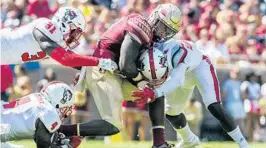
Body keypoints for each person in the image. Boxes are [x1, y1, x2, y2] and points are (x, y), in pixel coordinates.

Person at [75, 3, 182, 148]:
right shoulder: (141, 25)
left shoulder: (149, 36)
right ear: (154, 19)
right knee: (113, 126)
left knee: (156, 91)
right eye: (162, 28)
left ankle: (159, 143)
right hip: (103, 72)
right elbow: (125, 65)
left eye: (167, 31)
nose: (162, 34)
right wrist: (140, 81)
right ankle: (61, 131)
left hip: (115, 73)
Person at [132, 39, 249, 148]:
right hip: (182, 71)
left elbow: (177, 80)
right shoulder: (156, 55)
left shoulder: (177, 57)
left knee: (214, 106)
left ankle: (243, 144)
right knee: (172, 112)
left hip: (200, 67)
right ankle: (189, 139)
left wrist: (155, 93)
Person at [0, 7, 117, 73]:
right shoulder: (46, 26)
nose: (75, 36)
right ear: (66, 24)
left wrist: (98, 67)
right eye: (75, 31)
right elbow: (66, 59)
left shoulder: (56, 38)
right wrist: (98, 62)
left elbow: (76, 62)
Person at [0, 81, 82, 148]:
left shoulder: (38, 98)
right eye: (65, 107)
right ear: (58, 102)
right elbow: (43, 145)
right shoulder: (48, 112)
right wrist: (68, 146)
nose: (66, 111)